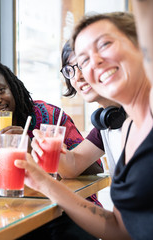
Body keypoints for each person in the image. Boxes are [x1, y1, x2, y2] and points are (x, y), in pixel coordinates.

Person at [16, 12, 153, 239]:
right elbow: (120, 230)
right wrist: (42, 181)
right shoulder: (127, 129)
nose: (94, 63)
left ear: (142, 46)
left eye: (105, 44)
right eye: (84, 60)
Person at [0, 58, 102, 240]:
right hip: (12, 214)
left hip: (66, 211)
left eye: (0, 90)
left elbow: (96, 168)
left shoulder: (48, 115)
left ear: (12, 88)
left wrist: (31, 149)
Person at [48, 40, 125, 178]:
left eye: (83, 64)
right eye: (70, 70)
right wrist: (50, 150)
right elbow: (72, 167)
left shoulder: (144, 112)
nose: (77, 77)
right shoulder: (107, 123)